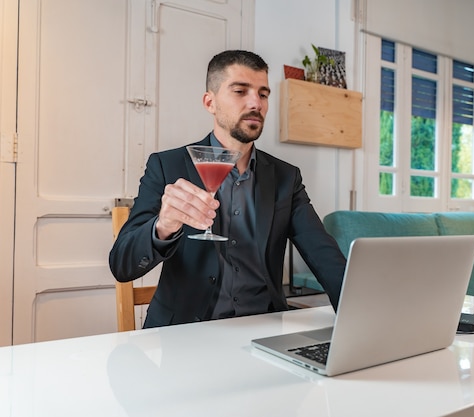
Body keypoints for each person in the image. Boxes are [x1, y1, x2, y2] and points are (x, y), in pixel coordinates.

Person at [109, 50, 346, 328]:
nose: (255, 103)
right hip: (185, 333)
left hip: (263, 329)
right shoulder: (167, 166)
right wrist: (163, 226)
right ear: (210, 102)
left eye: (263, 94)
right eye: (240, 91)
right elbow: (122, 265)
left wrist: (364, 312)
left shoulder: (285, 177)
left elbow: (323, 255)